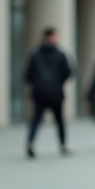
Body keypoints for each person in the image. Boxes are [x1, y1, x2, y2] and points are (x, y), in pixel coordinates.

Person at [24, 27, 73, 158]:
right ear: (50, 37)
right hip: (55, 93)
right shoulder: (60, 54)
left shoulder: (35, 54)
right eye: (55, 36)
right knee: (59, 121)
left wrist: (38, 84)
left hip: (39, 93)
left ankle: (30, 144)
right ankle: (63, 145)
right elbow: (68, 72)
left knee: (36, 120)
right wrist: (57, 83)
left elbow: (27, 75)